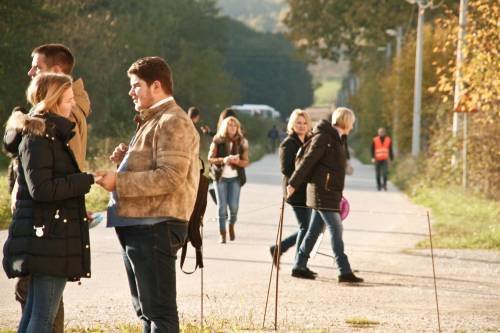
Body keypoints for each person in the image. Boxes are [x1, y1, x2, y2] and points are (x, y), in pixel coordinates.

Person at [95, 56, 199, 333]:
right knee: (146, 312)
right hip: (140, 225)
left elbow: (170, 177)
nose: (131, 92)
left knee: (159, 314)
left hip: (156, 227)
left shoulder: (173, 121)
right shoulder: (154, 119)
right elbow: (154, 167)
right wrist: (125, 161)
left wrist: (119, 181)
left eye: (135, 86)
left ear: (156, 86)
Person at [3, 43, 91, 333]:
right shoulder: (42, 132)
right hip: (47, 229)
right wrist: (85, 181)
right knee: (40, 314)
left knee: (38, 312)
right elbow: (48, 184)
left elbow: (63, 170)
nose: (30, 72)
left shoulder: (57, 125)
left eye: (36, 67)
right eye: (66, 99)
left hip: (49, 226)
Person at [287, 107, 363, 283]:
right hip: (323, 191)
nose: (352, 126)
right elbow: (309, 161)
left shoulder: (338, 138)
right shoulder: (325, 137)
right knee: (336, 229)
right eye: (351, 122)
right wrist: (293, 183)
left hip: (329, 192)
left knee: (314, 230)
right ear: (346, 121)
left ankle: (299, 266)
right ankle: (344, 270)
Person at [269, 109, 313, 264]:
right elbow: (286, 169)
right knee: (306, 227)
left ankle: (280, 249)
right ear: (292, 125)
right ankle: (298, 262)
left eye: (304, 123)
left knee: (310, 227)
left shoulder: (309, 142)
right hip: (295, 192)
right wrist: (304, 171)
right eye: (298, 123)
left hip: (309, 192)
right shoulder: (288, 144)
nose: (302, 126)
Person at [208, 116, 249, 243]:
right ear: (225, 127)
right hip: (220, 178)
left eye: (235, 125)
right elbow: (210, 158)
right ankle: (222, 233)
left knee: (234, 206)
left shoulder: (242, 141)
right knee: (222, 207)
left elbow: (246, 162)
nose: (232, 128)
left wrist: (238, 161)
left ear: (238, 128)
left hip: (235, 179)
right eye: (230, 125)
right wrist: (223, 160)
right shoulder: (217, 140)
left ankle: (231, 225)